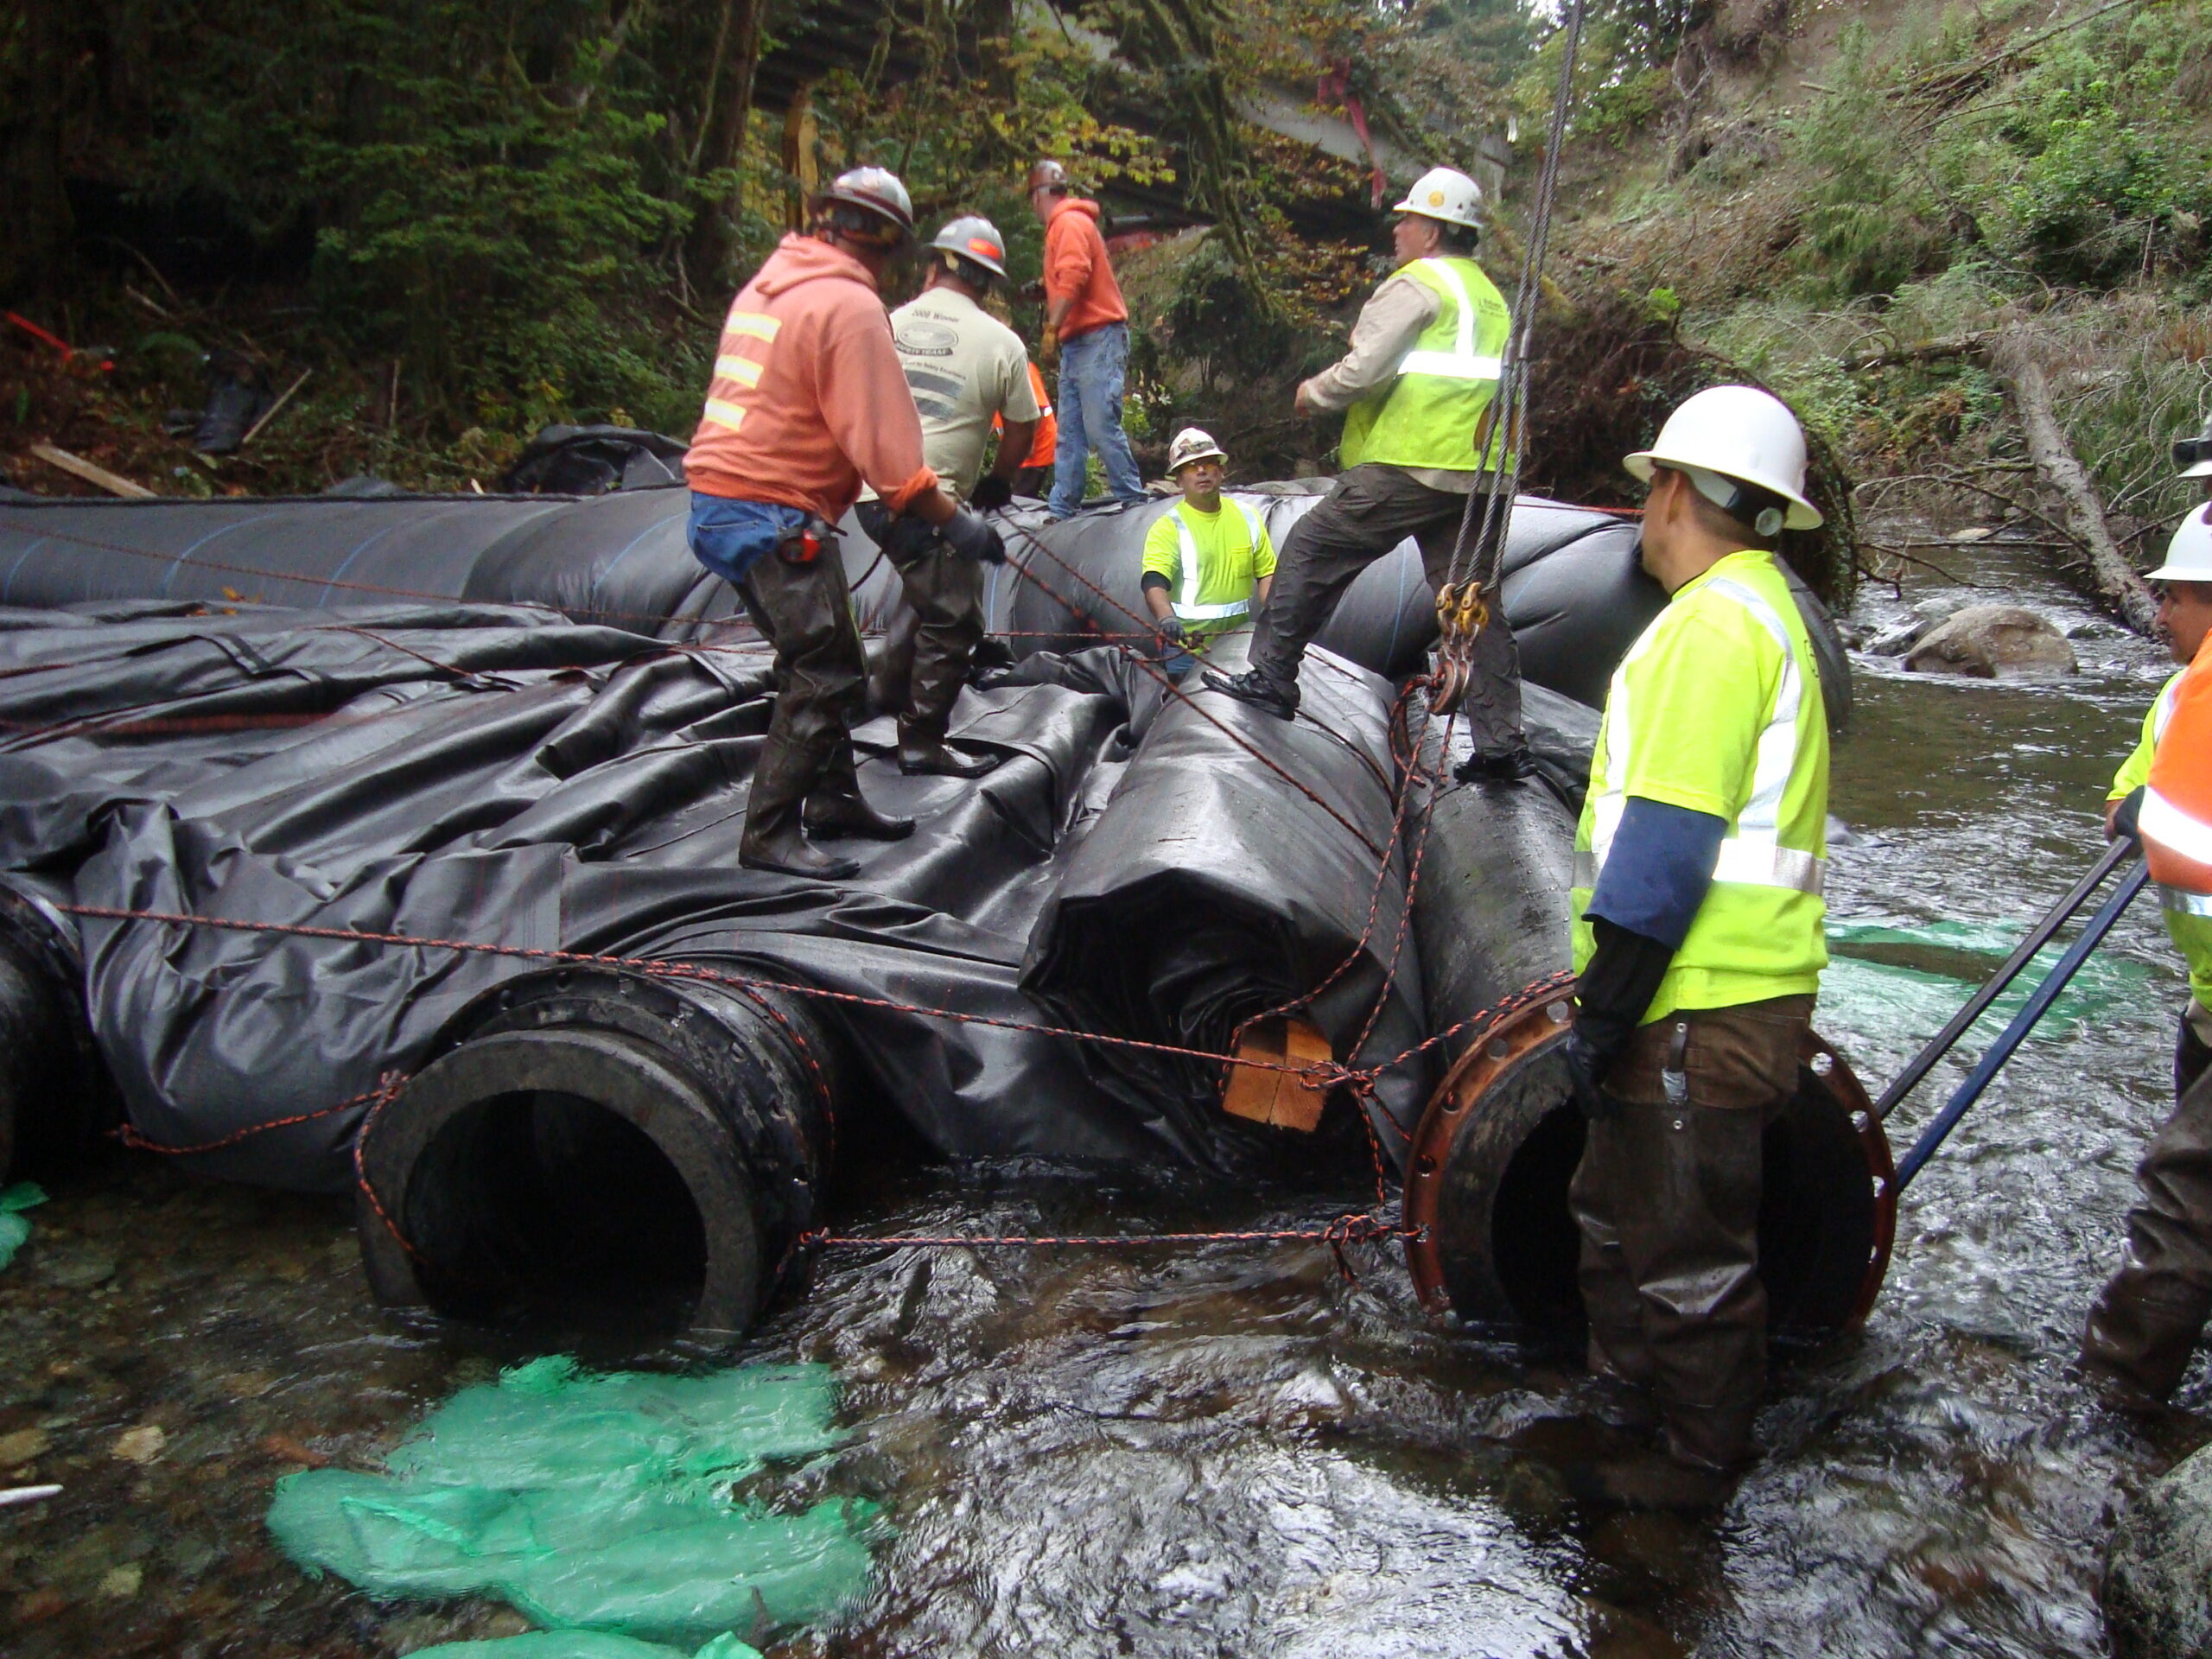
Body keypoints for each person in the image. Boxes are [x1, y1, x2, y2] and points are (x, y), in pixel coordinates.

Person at [1561, 385, 1831, 1480]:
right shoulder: (1770, 609)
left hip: (1693, 1009)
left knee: (1686, 1267)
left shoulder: (1714, 626)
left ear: (1671, 489)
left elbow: (1668, 848)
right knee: (1615, 1224)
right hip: (1714, 1006)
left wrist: (1602, 1011)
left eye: (1647, 492)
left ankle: (1691, 1488)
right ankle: (1620, 1422)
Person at [683, 166, 1005, 880]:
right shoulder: (851, 308)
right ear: (890, 245)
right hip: (771, 510)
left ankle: (832, 800)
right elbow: (892, 462)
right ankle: (768, 835)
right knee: (826, 671)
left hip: (720, 501)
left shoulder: (773, 282)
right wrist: (960, 526)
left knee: (823, 662)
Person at [1206, 166, 1530, 779]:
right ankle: (1502, 744)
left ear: (1433, 231)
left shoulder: (1418, 284)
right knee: (1473, 603)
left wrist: (1313, 393)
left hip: (1412, 463)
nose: (1398, 231)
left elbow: (1364, 371)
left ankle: (1273, 676)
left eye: (1407, 219)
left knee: (1310, 548)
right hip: (1480, 475)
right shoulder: (1489, 296)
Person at [2080, 504, 2212, 1406]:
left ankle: (2117, 1393)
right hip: (2209, 992)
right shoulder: (2184, 691)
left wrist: (2142, 817)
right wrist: (2133, 806)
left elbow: (2181, 836)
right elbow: (2139, 785)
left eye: (2173, 594)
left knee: (2183, 1194)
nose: (2157, 610)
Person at [861, 215, 1038, 779]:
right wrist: (999, 480)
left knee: (930, 591)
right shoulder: (1003, 344)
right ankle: (920, 739)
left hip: (868, 497)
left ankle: (883, 694)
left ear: (933, 266)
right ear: (986, 283)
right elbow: (1022, 430)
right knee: (956, 618)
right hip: (929, 502)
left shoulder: (887, 323)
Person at [1028, 159, 1145, 519]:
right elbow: (1072, 275)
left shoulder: (1068, 222)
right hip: (1080, 340)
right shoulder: (1067, 225)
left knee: (1098, 423)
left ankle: (1133, 498)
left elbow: (1076, 274)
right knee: (1071, 430)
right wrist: (1044, 289)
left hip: (1098, 335)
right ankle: (1063, 506)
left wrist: (1051, 326)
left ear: (1038, 196)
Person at [1140, 428, 1276, 678]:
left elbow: (1267, 574)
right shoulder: (1168, 527)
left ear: (1221, 470)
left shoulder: (1248, 517)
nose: (1201, 471)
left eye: (1207, 463)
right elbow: (1154, 581)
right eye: (1191, 466)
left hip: (1238, 647)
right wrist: (1166, 618)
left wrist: (1278, 614)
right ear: (1179, 479)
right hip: (1187, 651)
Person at [997, 360, 1058, 499]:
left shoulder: (1024, 370)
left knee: (1022, 497)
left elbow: (1038, 408)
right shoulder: (993, 372)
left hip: (1036, 449)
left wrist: (1029, 442)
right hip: (1016, 448)